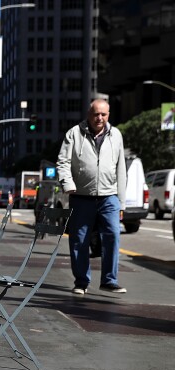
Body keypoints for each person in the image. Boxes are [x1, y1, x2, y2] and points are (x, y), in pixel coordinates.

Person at [57, 98, 127, 295]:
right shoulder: (74, 134)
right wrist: (68, 184)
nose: (100, 118)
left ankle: (109, 280)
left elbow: (121, 168)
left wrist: (121, 201)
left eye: (103, 114)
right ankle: (81, 282)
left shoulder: (116, 135)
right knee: (79, 240)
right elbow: (63, 162)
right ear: (89, 114)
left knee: (113, 234)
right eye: (96, 114)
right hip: (81, 196)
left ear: (108, 115)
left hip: (109, 196)